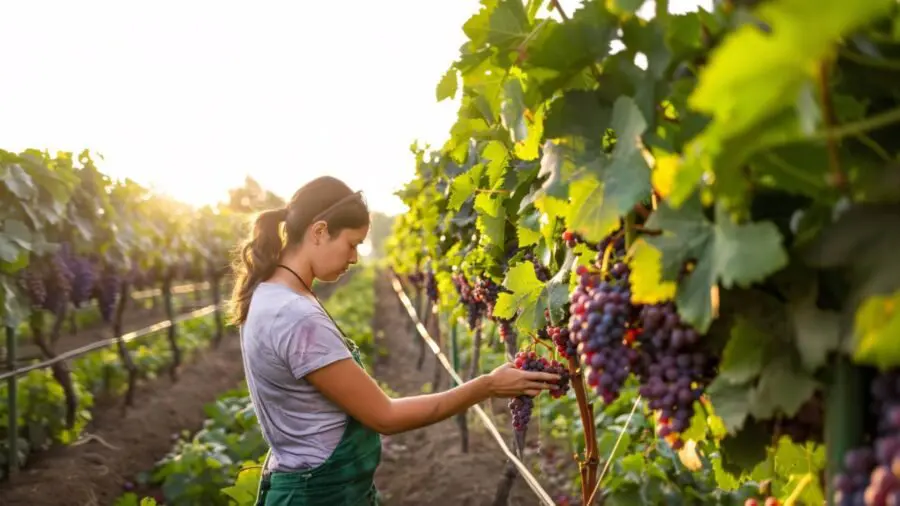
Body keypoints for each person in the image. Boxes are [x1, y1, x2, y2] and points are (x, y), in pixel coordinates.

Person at [229, 176, 561, 506]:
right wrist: (487, 385)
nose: (355, 257)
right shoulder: (295, 315)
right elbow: (384, 416)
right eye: (352, 244)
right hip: (321, 495)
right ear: (319, 231)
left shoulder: (268, 295)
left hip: (316, 487)